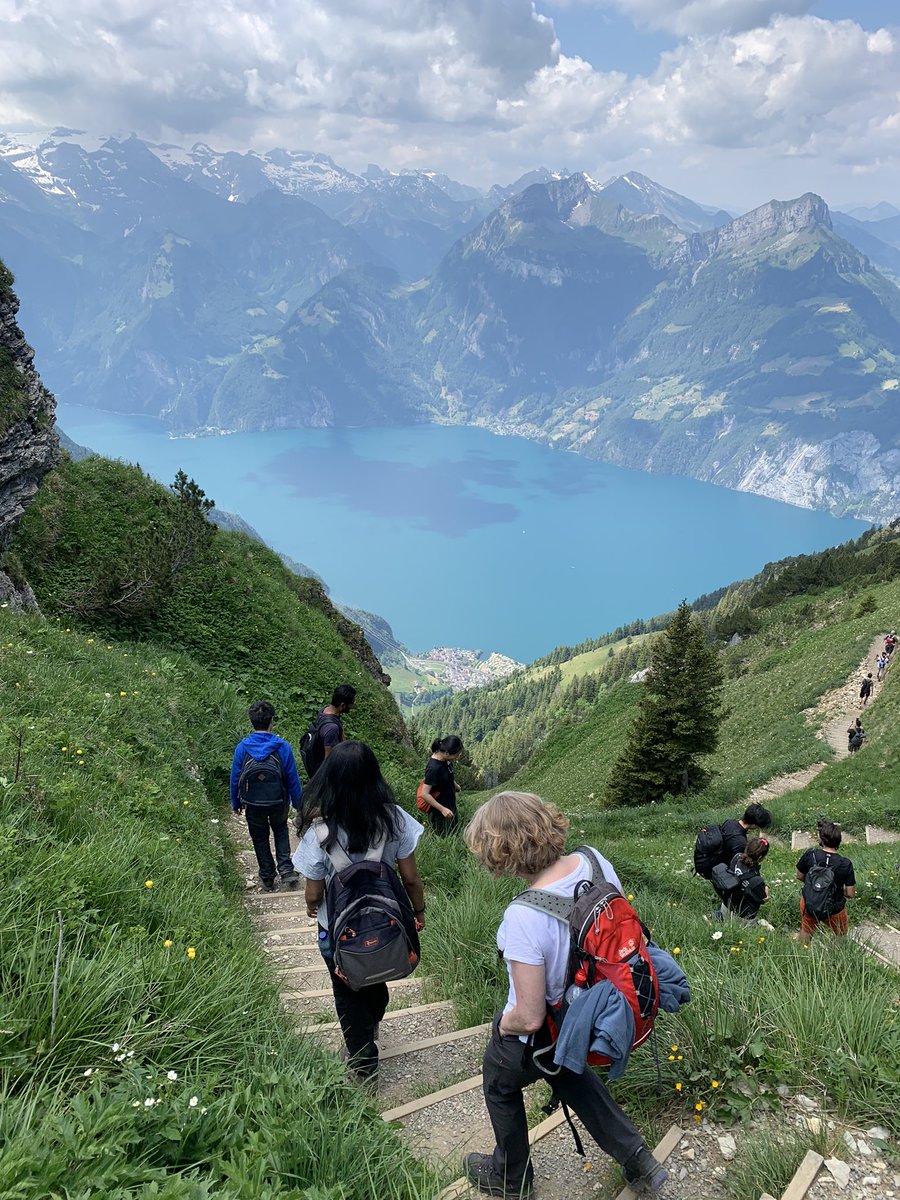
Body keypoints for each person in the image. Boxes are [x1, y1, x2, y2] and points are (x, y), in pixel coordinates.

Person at [463, 791, 668, 1200]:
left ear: (499, 853)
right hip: (593, 1008)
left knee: (499, 1080)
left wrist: (500, 1025)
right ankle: (638, 1159)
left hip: (550, 1026)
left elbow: (529, 1016)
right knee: (570, 1072)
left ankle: (510, 1179)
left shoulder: (522, 916)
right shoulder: (595, 861)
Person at [293, 740, 426, 1083]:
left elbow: (314, 890)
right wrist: (419, 910)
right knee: (376, 974)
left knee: (347, 989)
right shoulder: (395, 819)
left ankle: (363, 1060)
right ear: (374, 777)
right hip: (386, 923)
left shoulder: (319, 833)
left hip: (336, 926)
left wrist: (311, 906)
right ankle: (371, 1024)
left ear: (329, 780)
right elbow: (410, 878)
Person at [231, 700, 303, 892]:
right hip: (279, 800)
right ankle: (286, 870)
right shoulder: (282, 747)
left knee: (259, 837)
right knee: (280, 830)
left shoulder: (242, 748)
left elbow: (235, 777)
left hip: (253, 802)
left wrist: (235, 802)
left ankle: (267, 876)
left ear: (251, 721)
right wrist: (298, 803)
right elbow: (292, 778)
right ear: (272, 721)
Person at [796, 820, 856, 944]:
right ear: (839, 841)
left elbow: (800, 876)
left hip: (810, 901)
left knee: (806, 929)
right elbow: (850, 893)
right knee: (840, 933)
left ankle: (800, 955)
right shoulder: (845, 863)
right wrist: (834, 890)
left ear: (821, 839)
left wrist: (816, 887)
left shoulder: (810, 854)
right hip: (834, 906)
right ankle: (836, 957)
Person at [714, 838, 770, 923]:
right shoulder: (756, 880)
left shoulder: (737, 857)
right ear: (760, 857)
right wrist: (766, 888)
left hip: (726, 905)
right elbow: (764, 899)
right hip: (743, 917)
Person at [420, 735, 463, 834]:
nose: (458, 757)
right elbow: (424, 794)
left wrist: (455, 786)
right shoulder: (433, 769)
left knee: (454, 833)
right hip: (439, 813)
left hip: (450, 806)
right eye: (456, 755)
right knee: (443, 836)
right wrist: (442, 809)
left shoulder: (446, 760)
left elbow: (448, 775)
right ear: (447, 753)